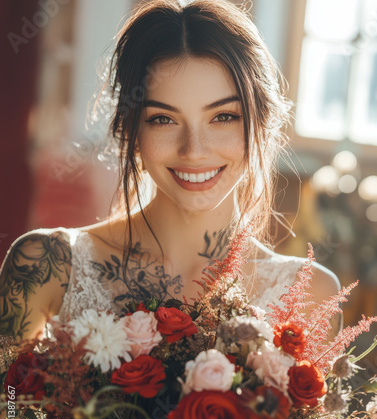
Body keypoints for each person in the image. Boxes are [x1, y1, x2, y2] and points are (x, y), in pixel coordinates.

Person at [0, 0, 340, 344]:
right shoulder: (44, 266)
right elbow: (9, 399)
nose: (193, 150)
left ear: (264, 124)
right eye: (163, 119)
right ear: (130, 131)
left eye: (223, 116)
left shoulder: (311, 294)